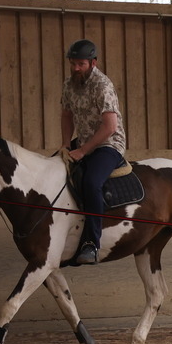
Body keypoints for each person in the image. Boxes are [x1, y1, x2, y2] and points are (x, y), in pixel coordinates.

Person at [60, 39, 127, 265]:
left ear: (93, 63)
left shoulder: (103, 86)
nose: (76, 68)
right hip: (83, 141)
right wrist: (66, 145)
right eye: (73, 63)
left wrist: (83, 151)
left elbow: (110, 127)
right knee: (53, 169)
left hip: (108, 143)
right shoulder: (69, 84)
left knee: (91, 182)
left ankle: (92, 243)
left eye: (81, 64)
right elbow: (66, 115)